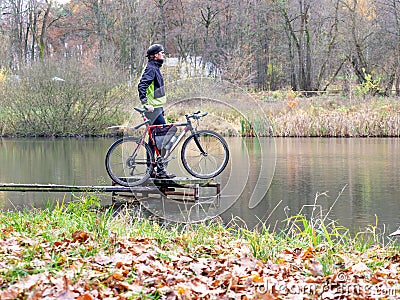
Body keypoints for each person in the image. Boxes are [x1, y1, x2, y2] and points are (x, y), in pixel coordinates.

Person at [138, 43, 176, 179]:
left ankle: (151, 169)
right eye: (162, 53)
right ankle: (160, 170)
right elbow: (141, 85)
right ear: (155, 55)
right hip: (153, 109)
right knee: (162, 136)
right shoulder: (151, 68)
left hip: (157, 108)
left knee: (153, 139)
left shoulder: (155, 68)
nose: (163, 55)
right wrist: (145, 103)